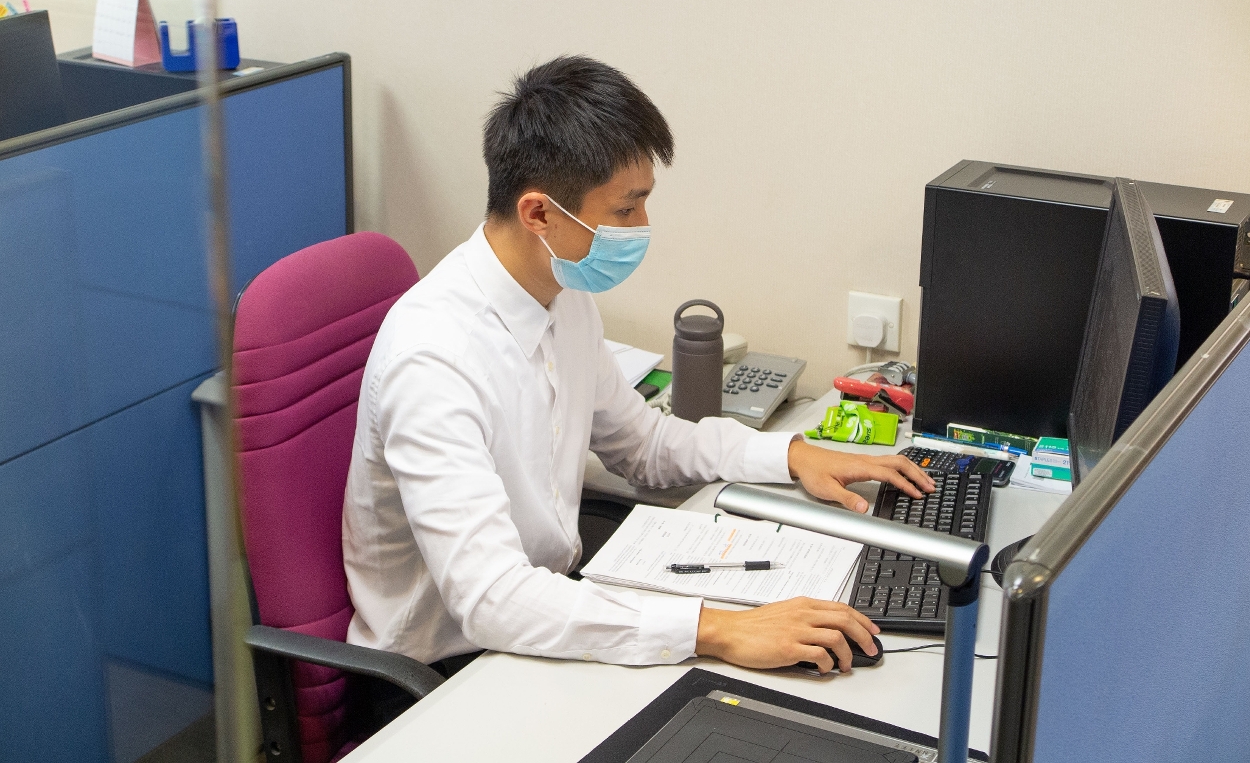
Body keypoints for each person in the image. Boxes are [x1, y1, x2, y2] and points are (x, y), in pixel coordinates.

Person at [343, 55, 933, 679]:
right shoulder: (435, 359)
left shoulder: (562, 294)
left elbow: (642, 444)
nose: (642, 228)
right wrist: (716, 629)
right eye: (625, 211)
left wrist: (790, 455)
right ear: (538, 214)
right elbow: (491, 599)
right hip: (443, 672)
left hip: (544, 614)